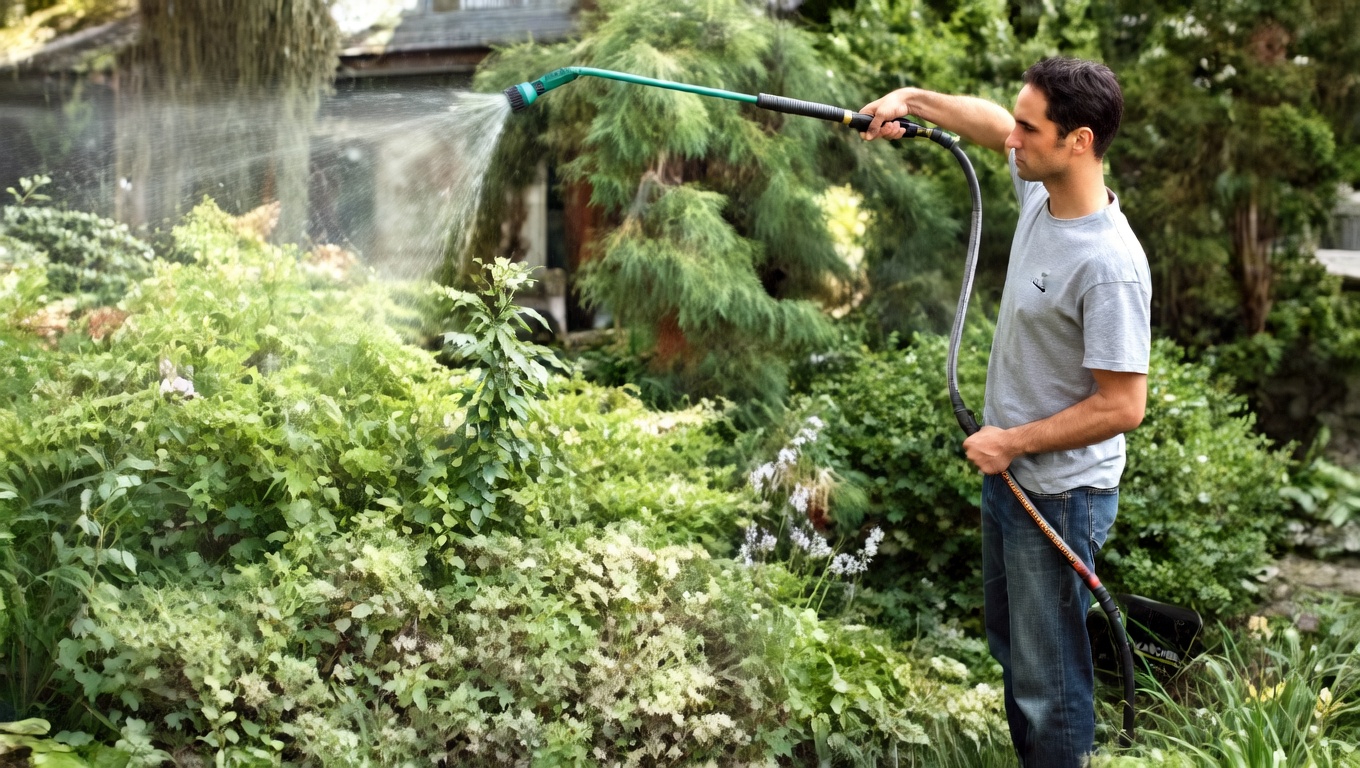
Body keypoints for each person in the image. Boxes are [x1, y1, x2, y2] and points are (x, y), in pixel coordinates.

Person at [860, 57, 1151, 766]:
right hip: (1012, 478)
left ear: (1077, 141)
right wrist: (911, 97)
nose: (1011, 140)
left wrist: (1011, 442)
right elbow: (991, 124)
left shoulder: (1108, 264)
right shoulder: (1041, 192)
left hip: (1060, 493)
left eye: (1030, 128)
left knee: (1048, 684)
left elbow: (1123, 405)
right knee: (1017, 656)